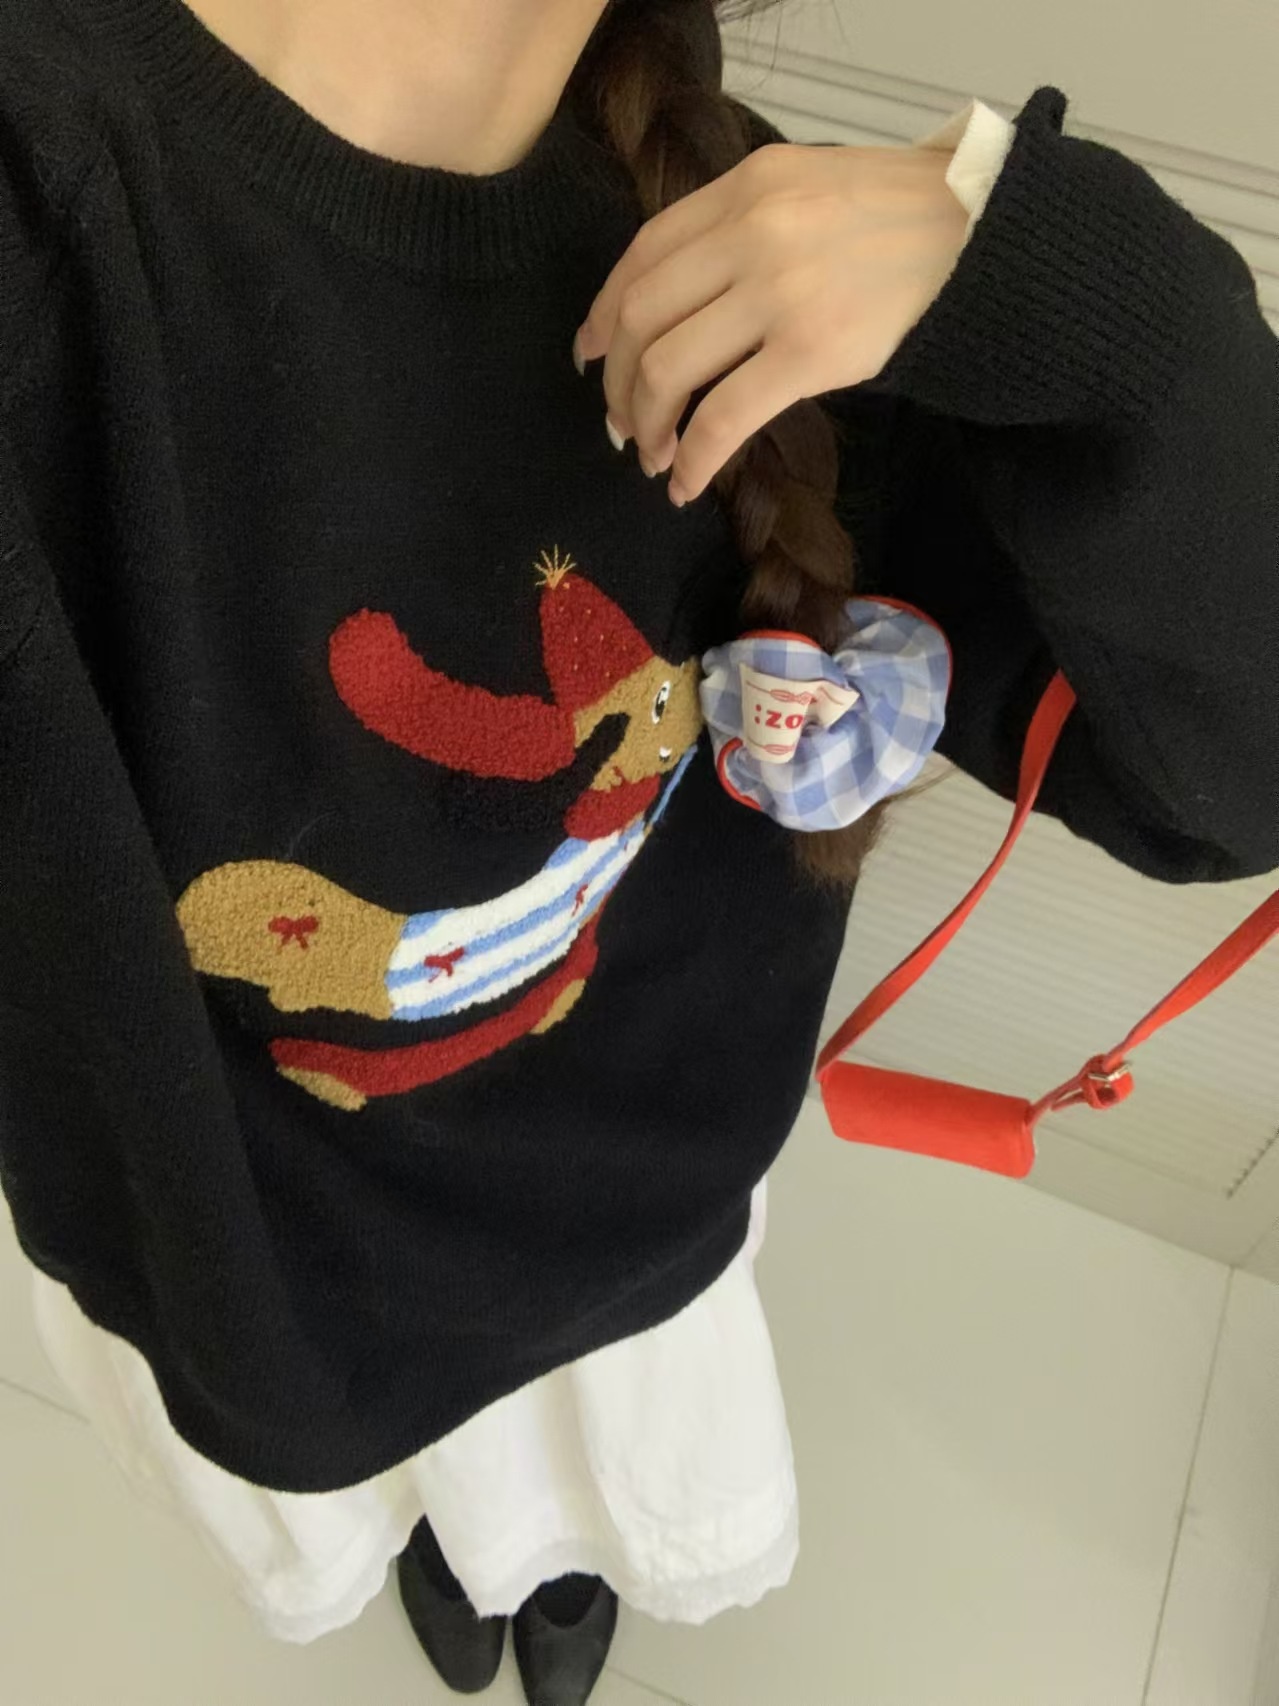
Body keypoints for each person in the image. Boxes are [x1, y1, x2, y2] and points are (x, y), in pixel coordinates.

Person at [2, 0, 1276, 1700]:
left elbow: (1232, 782)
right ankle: (471, 1545)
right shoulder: (55, 205)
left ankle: (550, 1562)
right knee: (419, 1499)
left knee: (574, 1504)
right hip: (279, 1298)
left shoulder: (764, 250)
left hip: (640, 1252)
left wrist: (1085, 300)